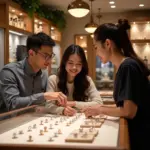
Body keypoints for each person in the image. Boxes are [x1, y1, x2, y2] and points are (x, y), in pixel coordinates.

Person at [83, 19, 150, 150]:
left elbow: (128, 111)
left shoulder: (128, 66)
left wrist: (100, 110)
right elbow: (125, 105)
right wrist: (101, 107)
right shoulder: (125, 66)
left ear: (107, 44)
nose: (96, 54)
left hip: (142, 137)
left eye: (96, 47)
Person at [0, 32, 67, 113]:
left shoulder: (44, 74)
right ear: (31, 53)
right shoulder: (9, 72)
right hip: (9, 123)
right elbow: (12, 104)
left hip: (33, 120)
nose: (49, 60)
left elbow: (45, 103)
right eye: (46, 55)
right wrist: (44, 96)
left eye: (50, 56)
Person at [46, 44, 103, 116]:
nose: (74, 67)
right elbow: (48, 106)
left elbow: (99, 103)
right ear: (64, 62)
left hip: (81, 120)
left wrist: (73, 103)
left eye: (79, 64)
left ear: (83, 65)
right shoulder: (53, 80)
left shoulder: (87, 80)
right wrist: (63, 110)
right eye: (70, 63)